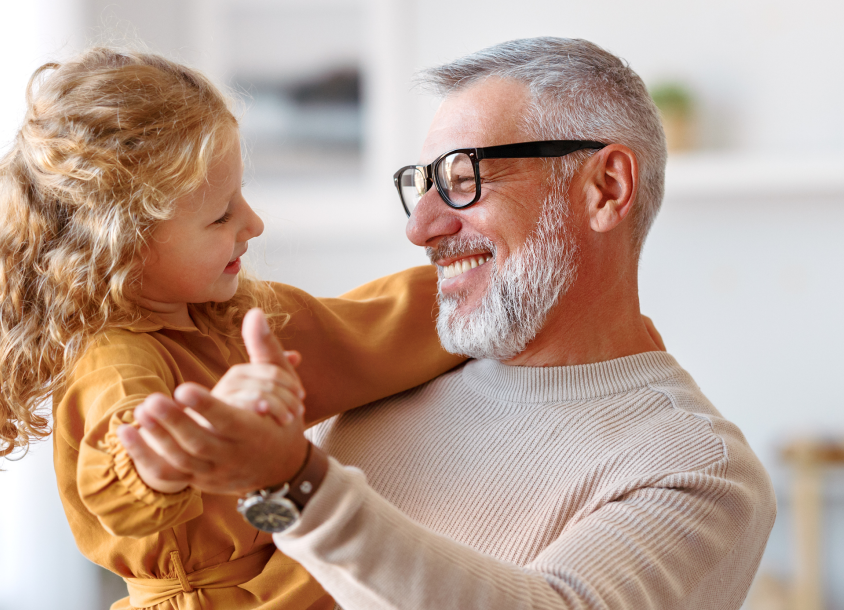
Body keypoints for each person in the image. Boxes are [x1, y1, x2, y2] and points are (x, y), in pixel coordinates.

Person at [117, 37, 777, 609]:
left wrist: (292, 479)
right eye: (421, 183)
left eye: (464, 179)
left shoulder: (697, 469)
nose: (420, 227)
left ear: (604, 188)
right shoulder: (392, 372)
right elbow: (286, 546)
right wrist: (242, 468)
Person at [0, 48, 465, 610]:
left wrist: (485, 283)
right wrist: (169, 452)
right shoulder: (115, 358)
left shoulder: (230, 316)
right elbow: (122, 464)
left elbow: (364, 330)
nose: (253, 223)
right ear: (123, 244)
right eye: (221, 215)